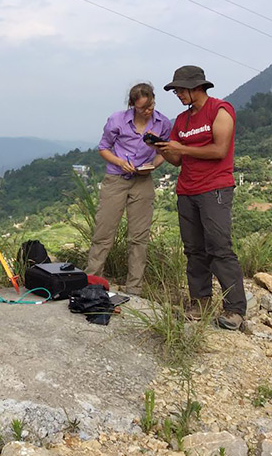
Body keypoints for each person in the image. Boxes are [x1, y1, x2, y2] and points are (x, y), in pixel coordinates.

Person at [156, 65, 246, 331]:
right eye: (175, 90)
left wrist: (181, 147)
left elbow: (219, 149)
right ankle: (201, 301)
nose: (177, 94)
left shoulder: (220, 110)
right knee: (194, 249)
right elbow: (176, 160)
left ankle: (235, 309)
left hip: (214, 189)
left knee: (219, 247)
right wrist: (163, 148)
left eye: (181, 89)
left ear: (197, 87)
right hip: (187, 190)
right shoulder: (181, 121)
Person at [85, 83, 172, 295]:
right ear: (132, 105)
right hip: (116, 178)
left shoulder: (163, 123)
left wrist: (154, 165)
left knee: (139, 237)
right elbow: (103, 148)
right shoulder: (117, 120)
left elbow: (166, 150)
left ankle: (134, 288)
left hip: (143, 180)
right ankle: (91, 282)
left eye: (150, 105)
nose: (148, 110)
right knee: (104, 232)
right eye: (143, 108)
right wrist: (120, 162)